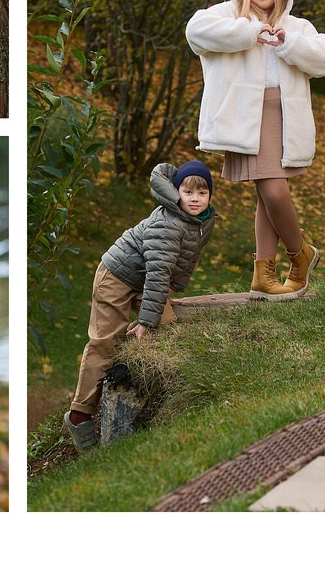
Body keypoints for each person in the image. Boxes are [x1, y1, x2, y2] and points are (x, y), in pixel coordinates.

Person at [187, 0, 325, 297]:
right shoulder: (225, 15)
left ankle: (269, 271)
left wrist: (290, 44)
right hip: (246, 117)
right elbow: (196, 33)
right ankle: (297, 255)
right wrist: (247, 32)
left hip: (282, 115)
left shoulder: (296, 25)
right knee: (270, 191)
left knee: (269, 192)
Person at [63, 161, 218, 451]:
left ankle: (144, 385)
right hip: (116, 276)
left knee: (167, 326)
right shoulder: (167, 223)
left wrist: (172, 292)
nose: (195, 199)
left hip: (145, 278)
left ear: (210, 195)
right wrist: (146, 320)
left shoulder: (204, 220)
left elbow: (187, 259)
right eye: (188, 192)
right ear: (176, 193)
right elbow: (159, 271)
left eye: (202, 192)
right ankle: (80, 414)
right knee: (106, 341)